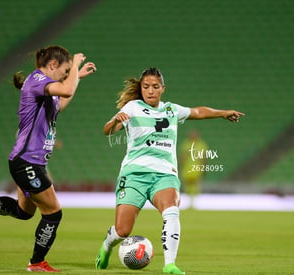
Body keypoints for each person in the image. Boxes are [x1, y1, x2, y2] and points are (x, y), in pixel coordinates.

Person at [0, 45, 97, 272]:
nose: (67, 75)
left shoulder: (46, 89)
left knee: (23, 212)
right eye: (64, 71)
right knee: (54, 213)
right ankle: (36, 263)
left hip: (28, 162)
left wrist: (76, 77)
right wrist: (74, 65)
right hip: (28, 162)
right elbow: (65, 90)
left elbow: (62, 101)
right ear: (53, 65)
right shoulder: (36, 80)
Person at [95, 68, 244, 274]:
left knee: (172, 212)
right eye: (146, 87)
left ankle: (169, 265)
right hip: (134, 175)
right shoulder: (132, 107)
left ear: (162, 89)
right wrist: (116, 122)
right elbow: (108, 130)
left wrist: (222, 113)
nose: (150, 91)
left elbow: (197, 112)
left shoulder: (171, 110)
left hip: (164, 175)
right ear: (141, 88)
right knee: (122, 230)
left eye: (155, 87)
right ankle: (106, 246)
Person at [178, 130, 208, 209]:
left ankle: (193, 202)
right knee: (187, 184)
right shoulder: (186, 144)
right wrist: (180, 165)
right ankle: (189, 201)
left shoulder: (201, 144)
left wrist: (203, 167)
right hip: (187, 167)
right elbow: (182, 156)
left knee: (195, 184)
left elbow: (203, 158)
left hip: (196, 167)